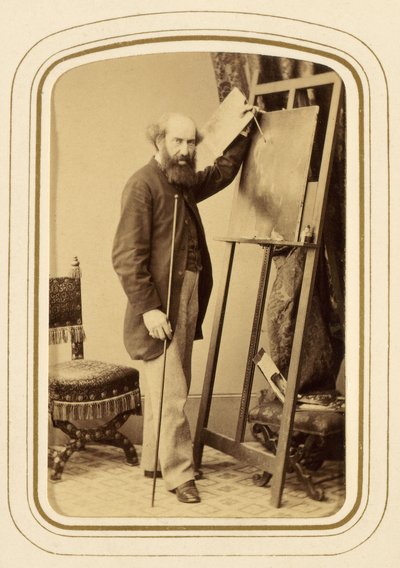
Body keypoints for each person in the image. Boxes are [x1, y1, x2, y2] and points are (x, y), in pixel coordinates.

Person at [112, 107, 254, 503]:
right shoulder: (142, 185)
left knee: (170, 387)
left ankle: (155, 462)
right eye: (178, 141)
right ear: (159, 140)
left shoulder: (182, 180)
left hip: (188, 293)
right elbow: (126, 256)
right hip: (160, 304)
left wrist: (243, 135)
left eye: (191, 142)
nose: (186, 149)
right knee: (172, 392)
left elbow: (221, 173)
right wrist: (149, 308)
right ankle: (179, 476)